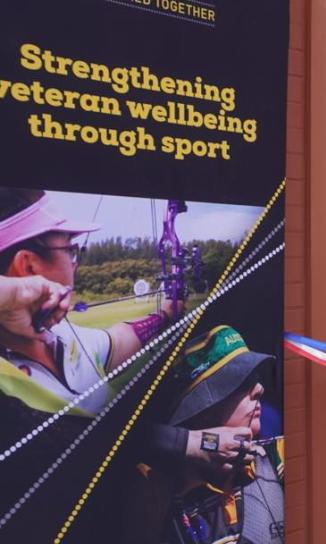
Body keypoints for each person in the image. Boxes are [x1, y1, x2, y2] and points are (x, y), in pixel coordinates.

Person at [0, 188, 180, 415]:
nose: (75, 264)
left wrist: (169, 311)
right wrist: (15, 294)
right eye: (70, 250)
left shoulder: (61, 334)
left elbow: (120, 338)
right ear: (28, 266)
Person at [133, 325, 285, 544]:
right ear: (203, 410)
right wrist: (196, 443)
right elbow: (116, 441)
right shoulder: (157, 485)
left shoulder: (276, 456)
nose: (259, 388)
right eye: (242, 382)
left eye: (257, 377)